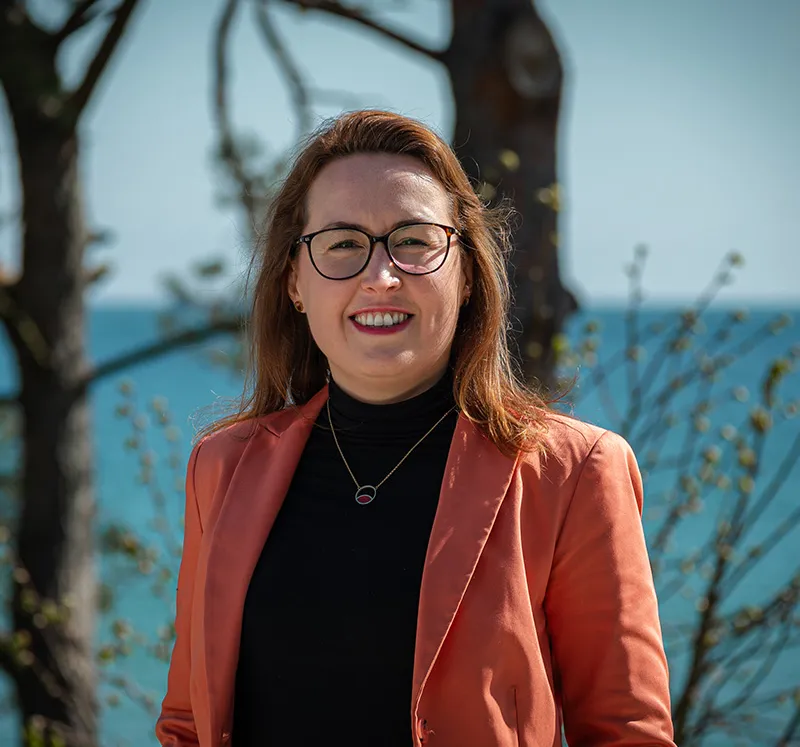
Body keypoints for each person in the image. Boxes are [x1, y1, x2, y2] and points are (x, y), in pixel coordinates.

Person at [156, 110, 675, 747]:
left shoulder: (573, 473)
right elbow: (187, 724)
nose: (380, 277)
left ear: (465, 274)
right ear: (295, 280)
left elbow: (627, 733)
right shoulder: (222, 467)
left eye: (413, 241)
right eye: (342, 243)